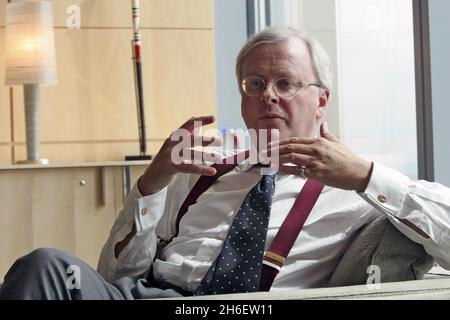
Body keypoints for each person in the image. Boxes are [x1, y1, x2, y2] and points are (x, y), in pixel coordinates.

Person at [1, 26, 450, 300]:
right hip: (148, 296)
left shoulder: (356, 190)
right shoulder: (202, 172)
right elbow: (116, 277)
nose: (267, 95)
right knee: (45, 266)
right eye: (255, 83)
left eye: (286, 83)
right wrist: (151, 185)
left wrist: (366, 176)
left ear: (321, 101)